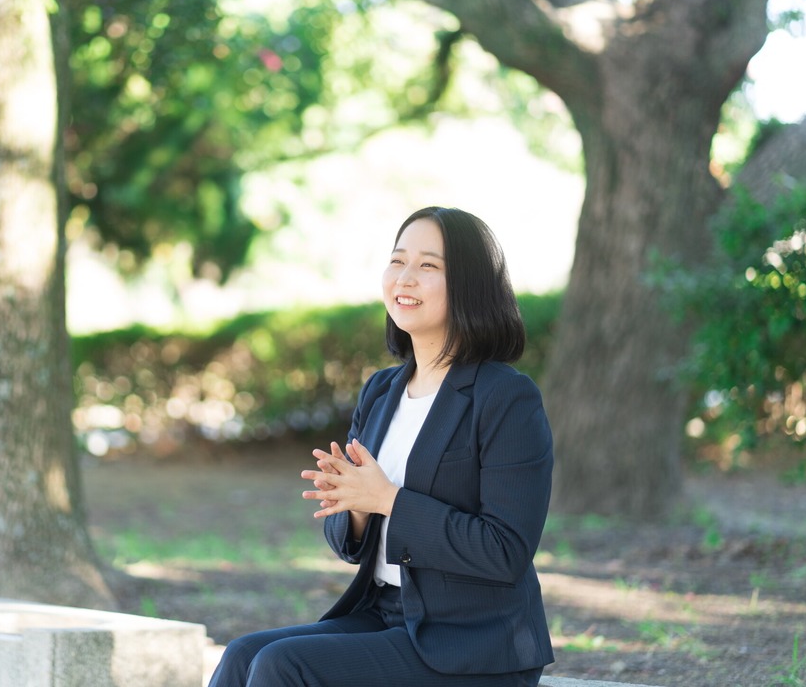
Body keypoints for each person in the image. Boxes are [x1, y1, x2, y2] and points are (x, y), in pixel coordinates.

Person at [208, 206, 554, 687]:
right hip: (385, 613)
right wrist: (353, 505)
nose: (405, 278)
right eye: (397, 260)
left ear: (470, 285)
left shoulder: (505, 397)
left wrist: (387, 499)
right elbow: (350, 543)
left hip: (473, 643)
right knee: (244, 654)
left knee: (283, 665)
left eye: (428, 265)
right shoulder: (381, 391)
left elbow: (505, 550)